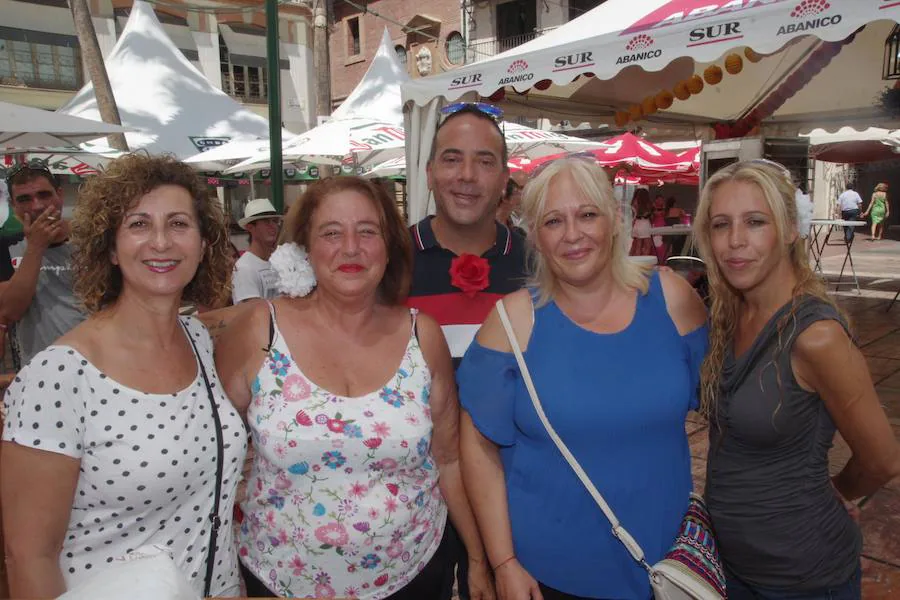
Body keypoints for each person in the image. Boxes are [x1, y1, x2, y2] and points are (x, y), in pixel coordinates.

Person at [215, 176, 494, 600]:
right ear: (305, 246)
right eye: (331, 232)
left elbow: (449, 458)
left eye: (367, 231)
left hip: (412, 575)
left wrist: (477, 557)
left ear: (388, 246)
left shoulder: (423, 336)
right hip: (279, 579)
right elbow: (213, 453)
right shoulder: (259, 330)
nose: (350, 248)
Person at [458, 158, 708, 600]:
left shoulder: (672, 300)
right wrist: (503, 562)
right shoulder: (513, 322)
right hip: (547, 574)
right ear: (534, 235)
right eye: (554, 221)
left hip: (667, 564)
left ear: (614, 220)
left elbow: (723, 406)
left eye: (587, 214)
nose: (573, 234)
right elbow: (477, 448)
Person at [0, 154, 247, 598]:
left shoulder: (199, 341)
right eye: (138, 224)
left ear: (204, 243)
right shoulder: (57, 377)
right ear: (110, 247)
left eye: (178, 224)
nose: (160, 242)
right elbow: (29, 556)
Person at [693, 160, 900, 599]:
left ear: (790, 229)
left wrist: (838, 493)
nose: (735, 242)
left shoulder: (816, 336)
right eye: (720, 224)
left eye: (755, 222)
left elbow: (882, 459)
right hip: (733, 566)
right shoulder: (730, 315)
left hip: (803, 577)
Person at [408, 103, 529, 600]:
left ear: (504, 177)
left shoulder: (536, 259)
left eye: (484, 161)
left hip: (515, 488)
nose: (466, 175)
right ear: (431, 171)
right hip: (418, 493)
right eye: (452, 158)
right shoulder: (387, 259)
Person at [0, 165, 87, 366]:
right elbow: (11, 310)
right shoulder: (7, 247)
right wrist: (36, 247)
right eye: (24, 199)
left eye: (44, 195)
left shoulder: (91, 241)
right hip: (41, 367)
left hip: (98, 363)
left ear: (59, 195)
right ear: (14, 206)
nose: (37, 206)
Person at [232, 198, 282, 303]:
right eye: (266, 222)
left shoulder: (278, 261)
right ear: (250, 227)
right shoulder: (244, 268)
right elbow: (253, 313)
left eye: (275, 221)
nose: (273, 226)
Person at [629, 187, 652, 257]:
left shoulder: (634, 202)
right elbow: (649, 214)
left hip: (636, 223)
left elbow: (633, 215)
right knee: (647, 245)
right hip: (644, 223)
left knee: (637, 245)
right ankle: (643, 261)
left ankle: (635, 261)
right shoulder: (647, 203)